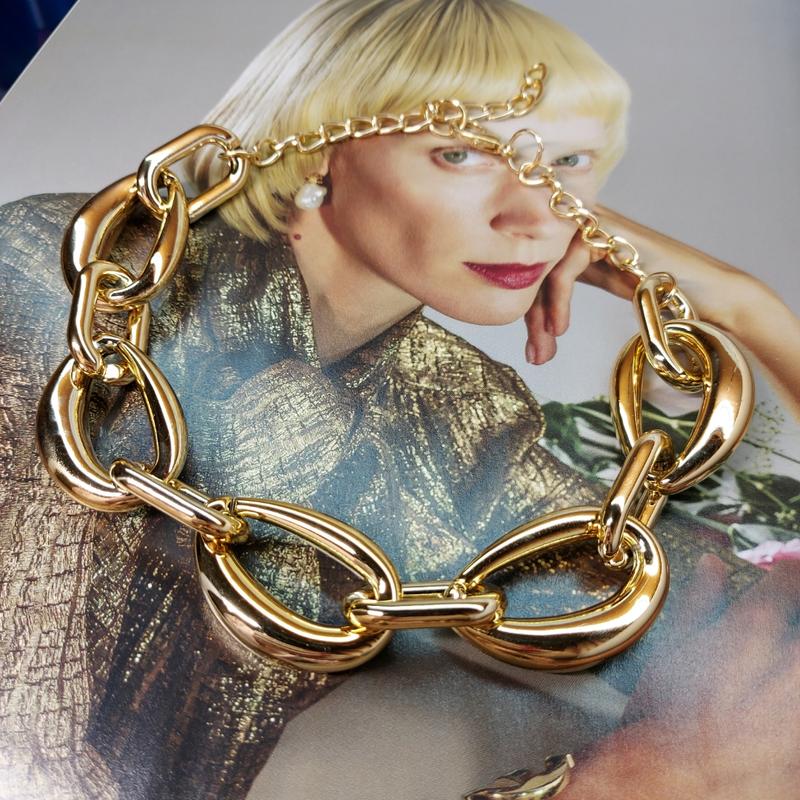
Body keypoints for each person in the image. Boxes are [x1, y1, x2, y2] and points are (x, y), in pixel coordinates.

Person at [0, 1, 798, 799]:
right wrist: (631, 785)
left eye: (568, 162)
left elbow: (757, 629)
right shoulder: (56, 285)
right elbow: (37, 746)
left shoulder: (455, 405)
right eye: (462, 153)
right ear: (320, 150)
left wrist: (747, 307)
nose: (534, 216)